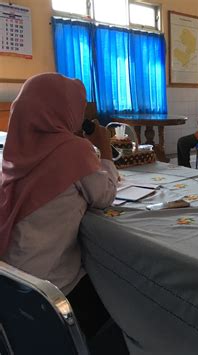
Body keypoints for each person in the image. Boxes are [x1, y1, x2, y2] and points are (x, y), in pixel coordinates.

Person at [0, 73, 119, 339]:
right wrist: (106, 152)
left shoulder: (15, 148)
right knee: (121, 294)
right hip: (53, 292)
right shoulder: (72, 150)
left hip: (11, 286)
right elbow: (104, 196)